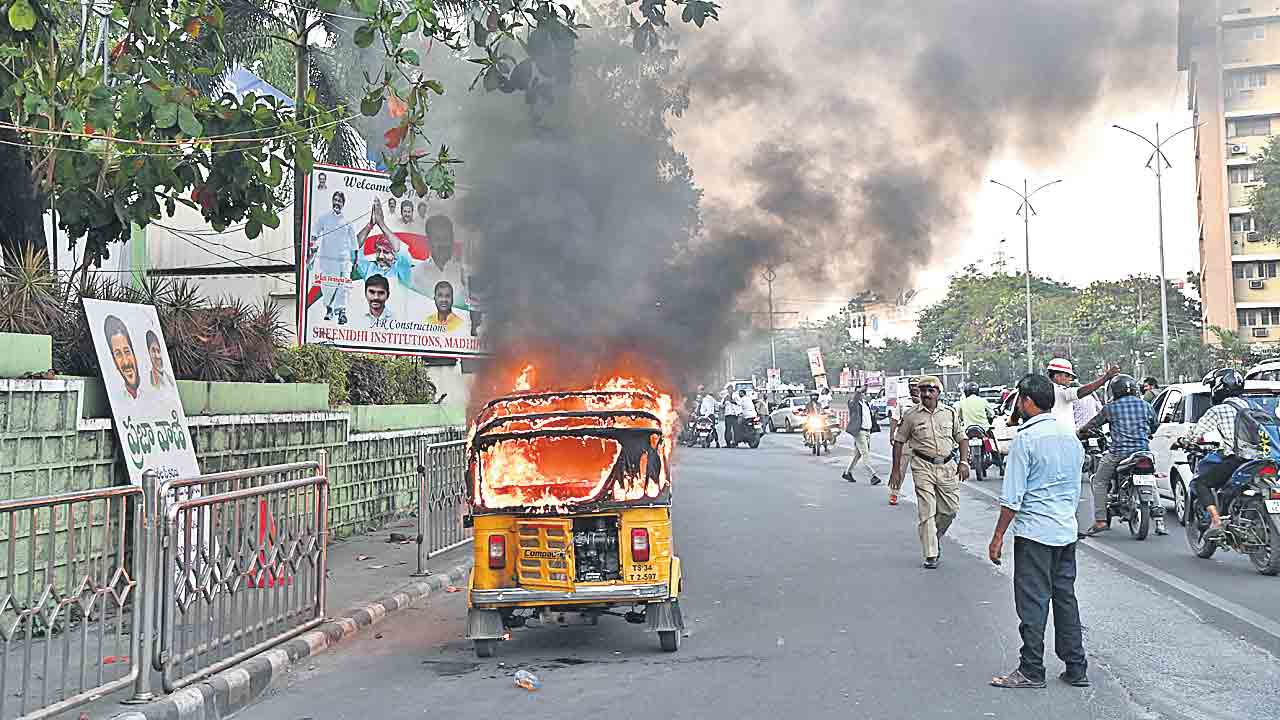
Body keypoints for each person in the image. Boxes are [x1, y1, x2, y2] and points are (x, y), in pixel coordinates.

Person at [988, 373, 1088, 690]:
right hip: (1064, 531)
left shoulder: (1026, 439)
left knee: (1032, 603)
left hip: (1035, 533)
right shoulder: (1070, 436)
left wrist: (998, 536)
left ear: (1027, 402)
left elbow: (1012, 497)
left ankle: (1031, 669)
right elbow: (1074, 488)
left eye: (1020, 399)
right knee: (1065, 598)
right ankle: (1076, 667)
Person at [889, 375, 968, 569]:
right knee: (927, 511)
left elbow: (962, 438)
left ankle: (935, 537)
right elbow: (899, 442)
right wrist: (896, 471)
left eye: (930, 390)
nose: (926, 394)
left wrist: (964, 462)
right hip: (922, 466)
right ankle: (930, 553)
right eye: (922, 390)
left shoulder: (949, 413)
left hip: (947, 466)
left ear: (938, 393)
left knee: (949, 510)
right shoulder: (911, 415)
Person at [1078, 374, 1164, 536]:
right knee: (1152, 477)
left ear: (1114, 391)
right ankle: (1158, 516)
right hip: (1143, 451)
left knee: (1099, 480)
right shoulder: (1145, 405)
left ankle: (1101, 520)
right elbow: (1154, 426)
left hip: (1118, 452)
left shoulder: (1111, 408)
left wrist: (1081, 432)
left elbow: (1092, 425)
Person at [1178, 368, 1249, 534]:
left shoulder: (1218, 410)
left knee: (1200, 483)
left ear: (1218, 387)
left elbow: (1195, 434)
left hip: (1237, 459)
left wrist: (1182, 442)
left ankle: (1216, 521)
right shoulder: (1250, 406)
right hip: (1261, 458)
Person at [310, 193, 377, 326]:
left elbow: (354, 243)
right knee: (329, 284)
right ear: (332, 201)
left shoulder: (347, 221)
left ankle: (341, 312)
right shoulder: (324, 218)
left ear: (343, 203)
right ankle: (329, 308)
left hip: (344, 260)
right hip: (328, 259)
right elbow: (314, 233)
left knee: (344, 285)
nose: (337, 203)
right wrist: (312, 247)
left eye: (339, 201)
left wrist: (356, 259)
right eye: (335, 200)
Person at [1043, 358, 1119, 430]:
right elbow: (1081, 392)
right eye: (1067, 375)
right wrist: (1106, 377)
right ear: (1057, 376)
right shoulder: (1061, 391)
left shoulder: (1044, 390)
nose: (1070, 379)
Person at [887, 377, 921, 506]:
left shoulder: (926, 402)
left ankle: (924, 496)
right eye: (911, 385)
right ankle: (894, 494)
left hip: (921, 442)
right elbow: (895, 419)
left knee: (922, 470)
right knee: (900, 468)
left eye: (916, 385)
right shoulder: (902, 402)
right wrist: (892, 434)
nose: (913, 388)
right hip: (906, 441)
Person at [842, 387, 881, 485]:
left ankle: (847, 473)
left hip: (867, 432)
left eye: (863, 392)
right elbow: (855, 398)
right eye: (860, 393)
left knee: (858, 454)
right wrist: (859, 391)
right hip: (860, 432)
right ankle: (873, 475)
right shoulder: (853, 403)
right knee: (865, 454)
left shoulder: (866, 404)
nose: (863, 394)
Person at [104, 315, 141, 400]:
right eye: (118, 354)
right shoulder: (118, 399)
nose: (126, 362)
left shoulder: (151, 395)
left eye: (127, 352)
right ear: (114, 361)